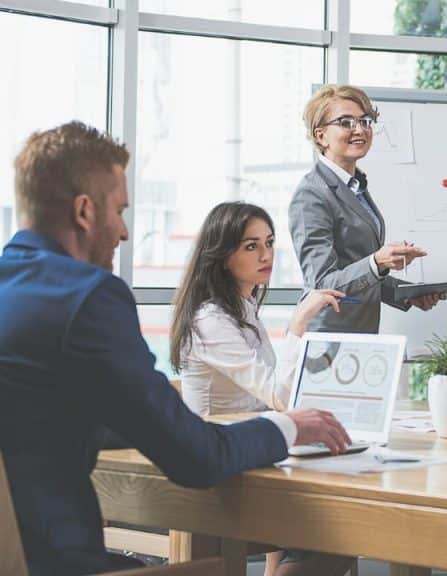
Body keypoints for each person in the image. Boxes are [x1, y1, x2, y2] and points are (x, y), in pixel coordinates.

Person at [0, 121, 350, 575]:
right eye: (119, 211)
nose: (123, 232)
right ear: (85, 211)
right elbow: (196, 460)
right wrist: (287, 427)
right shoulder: (87, 297)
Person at [290, 84, 444, 335]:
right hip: (328, 337)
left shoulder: (355, 186)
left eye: (365, 121)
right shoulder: (312, 194)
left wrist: (406, 294)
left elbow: (356, 268)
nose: (360, 129)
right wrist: (377, 261)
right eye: (346, 122)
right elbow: (322, 284)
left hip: (361, 334)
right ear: (320, 135)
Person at [171, 202, 342, 416]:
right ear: (223, 257)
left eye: (269, 243)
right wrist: (299, 321)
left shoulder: (244, 307)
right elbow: (278, 397)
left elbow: (274, 393)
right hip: (216, 441)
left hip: (250, 431)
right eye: (251, 246)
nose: (266, 255)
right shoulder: (209, 321)